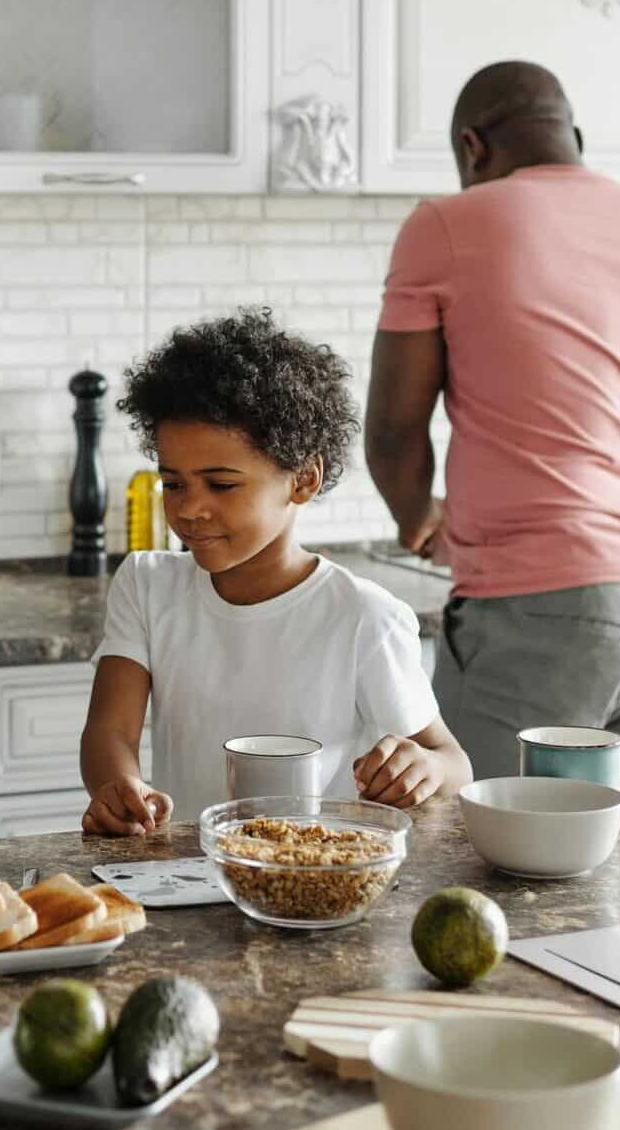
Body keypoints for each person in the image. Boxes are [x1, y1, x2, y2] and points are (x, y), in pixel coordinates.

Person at [364, 60, 620, 779]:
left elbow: (392, 429)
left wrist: (417, 516)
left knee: (474, 849)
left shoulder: (447, 225)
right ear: (572, 134)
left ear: (473, 148)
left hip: (541, 606)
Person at [77, 310, 474, 833]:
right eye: (174, 484)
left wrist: (423, 768)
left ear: (303, 481)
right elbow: (110, 731)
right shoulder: (147, 585)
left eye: (221, 485)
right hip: (188, 870)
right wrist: (118, 786)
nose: (190, 509)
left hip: (315, 875)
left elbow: (453, 762)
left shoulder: (363, 615)